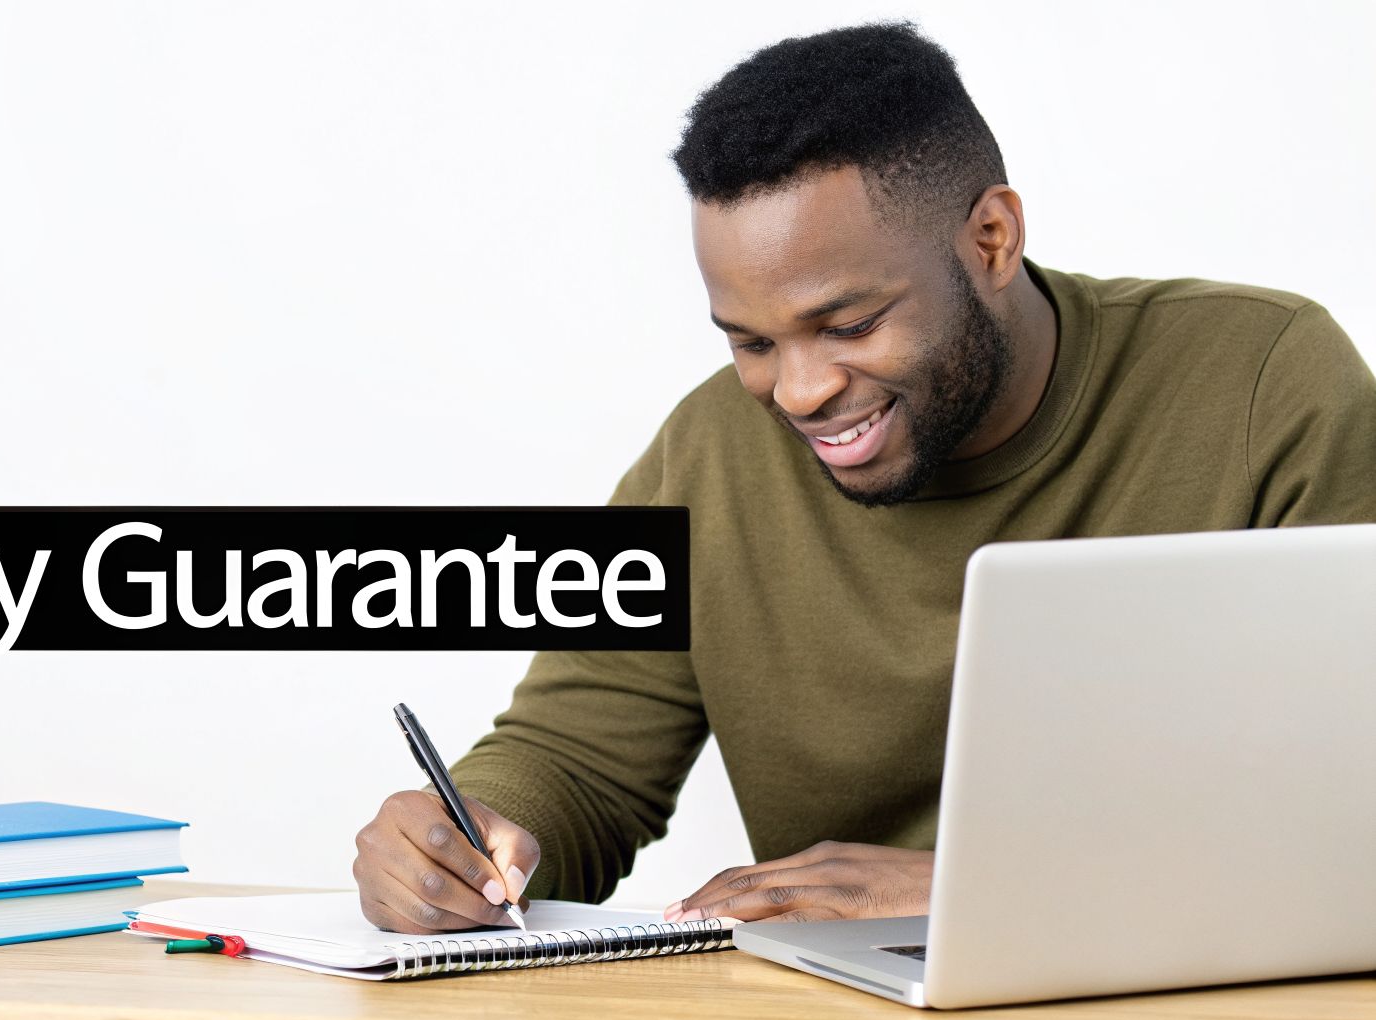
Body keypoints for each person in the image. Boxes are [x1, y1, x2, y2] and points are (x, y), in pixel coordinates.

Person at [351, 20, 1376, 934]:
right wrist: (464, 841)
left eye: (848, 324)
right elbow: (576, 757)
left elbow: (1349, 799)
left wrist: (977, 888)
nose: (798, 391)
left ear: (991, 240)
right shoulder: (709, 449)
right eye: (750, 341)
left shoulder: (1262, 383)